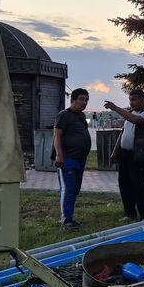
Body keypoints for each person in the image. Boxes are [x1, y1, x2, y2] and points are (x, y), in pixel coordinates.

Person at [105, 90, 144, 222]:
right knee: (124, 184)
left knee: (138, 184)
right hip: (125, 154)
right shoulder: (131, 112)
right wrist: (115, 151)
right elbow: (124, 132)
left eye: (134, 99)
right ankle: (130, 213)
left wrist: (115, 108)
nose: (131, 103)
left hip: (139, 155)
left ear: (143, 99)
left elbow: (135, 121)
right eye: (130, 100)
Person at [53, 88, 91, 229]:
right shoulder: (64, 115)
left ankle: (69, 216)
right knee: (68, 189)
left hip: (80, 158)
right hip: (67, 159)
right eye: (81, 99)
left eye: (86, 100)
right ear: (73, 100)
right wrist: (59, 154)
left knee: (75, 189)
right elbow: (57, 135)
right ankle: (66, 221)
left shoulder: (81, 116)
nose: (84, 102)